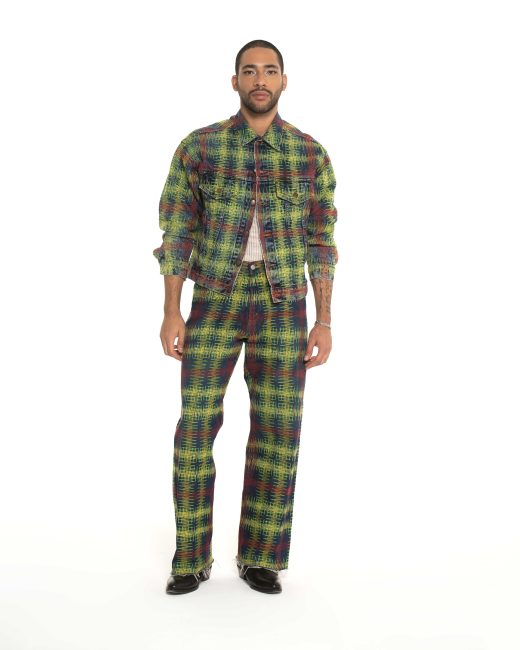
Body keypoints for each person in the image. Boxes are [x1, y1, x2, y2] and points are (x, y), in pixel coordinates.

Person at [153, 39, 339, 595]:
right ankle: (190, 558)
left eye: (270, 71)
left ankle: (261, 557)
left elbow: (322, 240)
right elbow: (177, 229)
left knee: (279, 433)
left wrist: (324, 320)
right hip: (213, 297)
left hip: (284, 305)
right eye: (250, 71)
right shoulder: (200, 147)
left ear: (284, 81)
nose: (260, 80)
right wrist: (171, 310)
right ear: (234, 81)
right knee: (195, 428)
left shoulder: (309, 154)